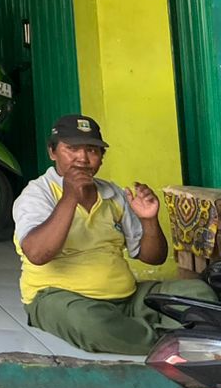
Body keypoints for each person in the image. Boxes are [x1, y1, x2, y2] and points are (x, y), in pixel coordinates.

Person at [13, 113, 212, 354]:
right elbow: (37, 254)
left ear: (101, 158)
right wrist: (70, 197)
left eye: (92, 150)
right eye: (72, 149)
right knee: (90, 324)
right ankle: (178, 339)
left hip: (127, 298)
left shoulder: (113, 194)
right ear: (52, 152)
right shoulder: (37, 194)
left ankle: (145, 334)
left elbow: (153, 257)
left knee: (197, 292)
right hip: (60, 298)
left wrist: (149, 219)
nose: (82, 158)